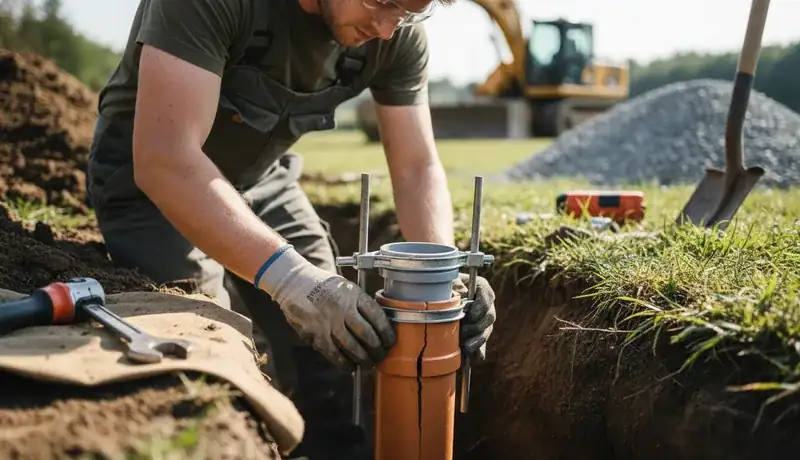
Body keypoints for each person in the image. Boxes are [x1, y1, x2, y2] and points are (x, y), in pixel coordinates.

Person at [86, 0, 497, 457]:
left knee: (339, 337)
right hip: (152, 186)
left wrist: (442, 272)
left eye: (406, 13)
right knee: (201, 340)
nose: (386, 28)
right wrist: (291, 279)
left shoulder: (394, 33)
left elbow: (417, 167)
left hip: (262, 178)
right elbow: (166, 159)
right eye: (382, 2)